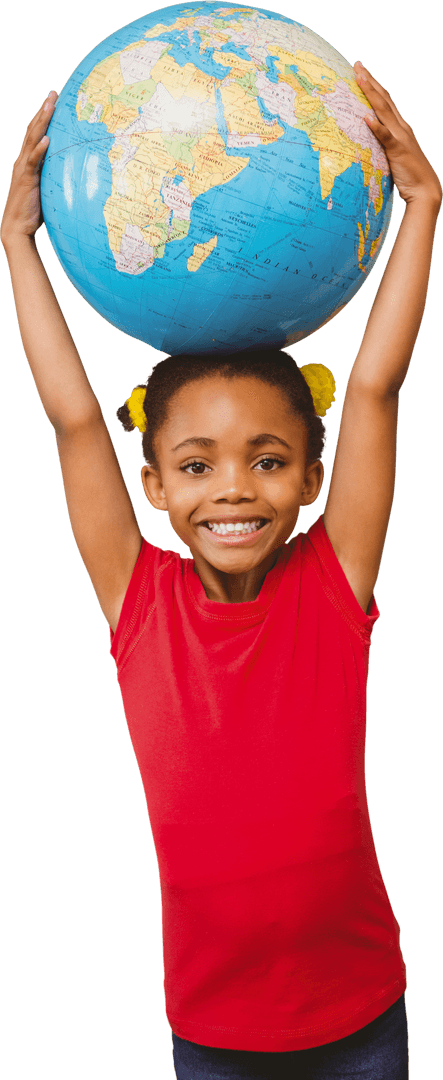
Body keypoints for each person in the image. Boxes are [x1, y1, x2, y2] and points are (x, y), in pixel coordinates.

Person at [1, 61, 441, 1080]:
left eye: (268, 460)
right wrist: (17, 242)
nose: (233, 489)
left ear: (312, 478)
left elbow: (373, 389)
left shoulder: (332, 581)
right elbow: (74, 420)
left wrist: (421, 205)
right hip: (212, 1028)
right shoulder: (139, 599)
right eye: (196, 466)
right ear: (152, 482)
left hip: (360, 1012)